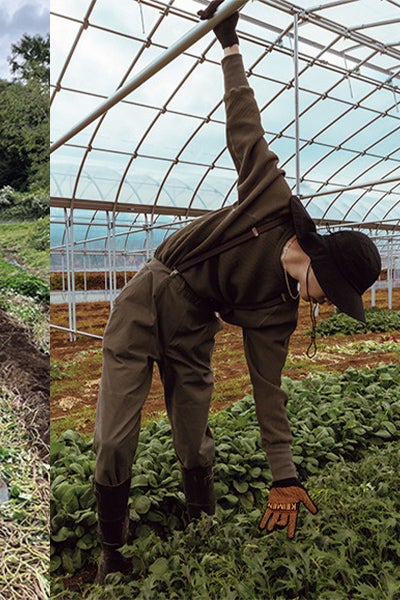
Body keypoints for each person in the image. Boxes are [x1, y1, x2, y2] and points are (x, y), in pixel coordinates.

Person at [91, 3, 382, 584]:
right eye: (335, 291)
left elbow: (268, 392)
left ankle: (201, 523)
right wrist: (229, 46)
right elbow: (245, 126)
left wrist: (285, 475)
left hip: (195, 325)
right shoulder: (270, 203)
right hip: (149, 299)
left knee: (195, 437)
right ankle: (110, 545)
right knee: (113, 438)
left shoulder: (280, 314)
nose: (326, 303)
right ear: (321, 260)